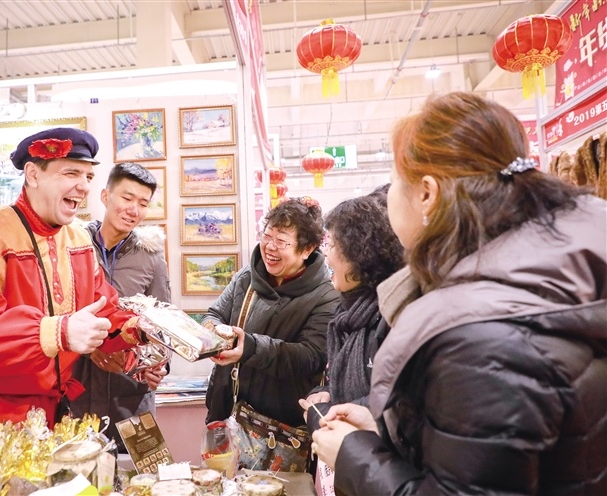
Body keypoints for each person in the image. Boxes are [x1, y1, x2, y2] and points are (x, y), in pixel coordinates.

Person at [311, 92, 607, 494]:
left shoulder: (482, 333)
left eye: (395, 179)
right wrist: (391, 429)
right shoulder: (544, 279)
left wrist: (353, 456)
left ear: (427, 193)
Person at [0, 128, 146, 458]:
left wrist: (141, 330)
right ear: (32, 174)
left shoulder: (78, 239)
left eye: (88, 176)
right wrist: (59, 332)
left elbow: (103, 309)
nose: (84, 186)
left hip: (45, 421)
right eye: (71, 173)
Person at [204, 197, 340, 430]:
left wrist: (249, 347)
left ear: (307, 249)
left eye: (281, 241)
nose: (270, 247)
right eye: (267, 236)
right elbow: (215, 314)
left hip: (280, 428)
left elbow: (310, 356)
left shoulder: (326, 295)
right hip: (228, 411)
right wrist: (212, 335)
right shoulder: (247, 277)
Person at [71, 162, 171, 451]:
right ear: (105, 196)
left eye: (143, 203)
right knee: (78, 473)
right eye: (127, 198)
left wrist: (160, 367)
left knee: (142, 474)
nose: (133, 210)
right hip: (77, 395)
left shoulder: (151, 258)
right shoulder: (73, 246)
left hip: (133, 399)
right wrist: (89, 348)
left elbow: (164, 323)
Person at [300, 186, 403, 418]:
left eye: (332, 245)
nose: (326, 255)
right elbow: (339, 383)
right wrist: (325, 392)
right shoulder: (345, 315)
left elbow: (394, 403)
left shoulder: (390, 316)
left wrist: (320, 414)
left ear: (360, 255)